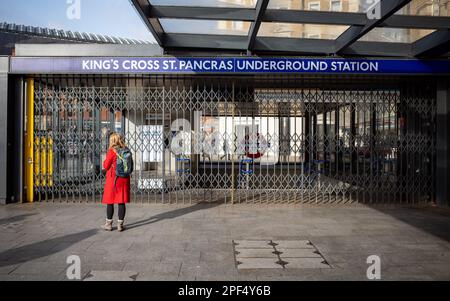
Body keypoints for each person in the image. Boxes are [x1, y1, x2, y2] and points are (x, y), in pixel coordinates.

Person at [101, 132, 130, 232]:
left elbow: (106, 166)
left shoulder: (111, 151)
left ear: (112, 140)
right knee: (121, 202)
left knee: (110, 201)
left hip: (113, 179)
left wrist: (104, 161)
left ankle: (108, 224)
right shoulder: (126, 150)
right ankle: (120, 225)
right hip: (123, 179)